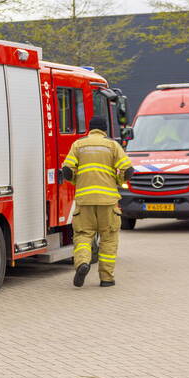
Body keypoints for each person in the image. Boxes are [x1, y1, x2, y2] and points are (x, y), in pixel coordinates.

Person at [60, 116, 134, 287]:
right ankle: (106, 278)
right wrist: (119, 179)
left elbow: (66, 170)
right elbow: (128, 169)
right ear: (105, 129)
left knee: (83, 235)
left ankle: (82, 263)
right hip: (108, 201)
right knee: (108, 239)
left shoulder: (78, 145)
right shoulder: (112, 145)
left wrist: (76, 180)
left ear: (90, 128)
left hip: (85, 201)